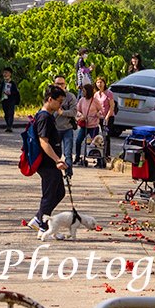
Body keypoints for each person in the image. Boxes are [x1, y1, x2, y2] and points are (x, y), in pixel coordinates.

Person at [26, 82, 67, 233]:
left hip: (51, 162)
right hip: (47, 162)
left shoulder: (47, 116)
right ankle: (42, 224)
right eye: (59, 102)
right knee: (49, 194)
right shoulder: (44, 117)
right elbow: (44, 142)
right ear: (50, 99)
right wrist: (57, 159)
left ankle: (39, 218)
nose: (60, 105)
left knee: (59, 192)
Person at [53, 76, 78, 171]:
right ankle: (55, 172)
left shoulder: (70, 96)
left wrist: (62, 112)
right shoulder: (50, 96)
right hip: (55, 129)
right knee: (55, 153)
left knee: (68, 153)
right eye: (57, 84)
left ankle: (68, 173)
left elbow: (74, 112)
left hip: (67, 128)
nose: (59, 86)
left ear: (65, 85)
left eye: (62, 84)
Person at [92, 75, 115, 166]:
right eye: (98, 82)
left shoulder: (109, 93)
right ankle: (99, 154)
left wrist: (107, 117)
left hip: (108, 117)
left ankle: (106, 155)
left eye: (101, 82)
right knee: (97, 136)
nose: (99, 84)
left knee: (106, 136)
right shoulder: (96, 94)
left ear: (104, 83)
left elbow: (112, 106)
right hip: (99, 117)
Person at [75, 81, 97, 166]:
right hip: (84, 125)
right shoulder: (81, 100)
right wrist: (81, 115)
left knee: (95, 143)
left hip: (93, 125)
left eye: (84, 91)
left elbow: (101, 111)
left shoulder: (95, 101)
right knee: (78, 141)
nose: (83, 92)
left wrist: (97, 114)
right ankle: (77, 157)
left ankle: (98, 159)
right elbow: (77, 110)